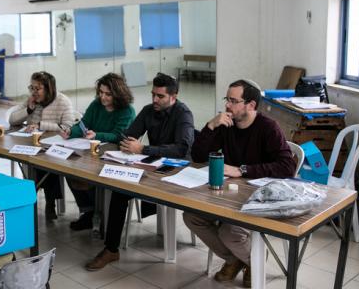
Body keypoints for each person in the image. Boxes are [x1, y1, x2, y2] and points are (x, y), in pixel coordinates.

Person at [185, 79, 297, 288]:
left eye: (234, 101)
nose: (227, 105)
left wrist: (242, 170)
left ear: (251, 105)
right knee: (192, 217)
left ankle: (252, 261)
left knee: (230, 232)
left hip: (259, 198)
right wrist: (210, 126)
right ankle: (240, 259)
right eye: (227, 99)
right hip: (229, 195)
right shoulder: (226, 124)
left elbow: (287, 166)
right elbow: (198, 156)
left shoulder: (268, 127)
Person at [86, 73, 194, 271]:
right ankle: (111, 249)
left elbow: (182, 149)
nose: (155, 99)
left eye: (160, 96)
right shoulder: (148, 110)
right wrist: (129, 143)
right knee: (119, 190)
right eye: (153, 94)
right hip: (152, 164)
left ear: (173, 96)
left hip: (176, 170)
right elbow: (128, 136)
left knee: (133, 188)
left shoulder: (183, 114)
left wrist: (143, 148)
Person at [61, 73, 136, 231]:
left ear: (118, 94)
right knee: (69, 169)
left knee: (91, 172)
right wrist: (71, 132)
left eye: (108, 94)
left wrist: (97, 135)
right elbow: (83, 124)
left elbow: (119, 136)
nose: (103, 97)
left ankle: (101, 212)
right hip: (92, 149)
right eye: (101, 92)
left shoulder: (127, 111)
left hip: (115, 153)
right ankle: (89, 211)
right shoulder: (96, 104)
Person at [8, 71, 75, 220]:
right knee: (35, 163)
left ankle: (48, 202)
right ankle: (35, 201)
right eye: (31, 88)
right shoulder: (32, 100)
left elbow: (68, 127)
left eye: (37, 88)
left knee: (49, 164)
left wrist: (40, 125)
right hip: (33, 144)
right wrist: (28, 109)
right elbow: (12, 120)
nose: (33, 92)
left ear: (49, 89)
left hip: (55, 146)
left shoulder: (63, 101)